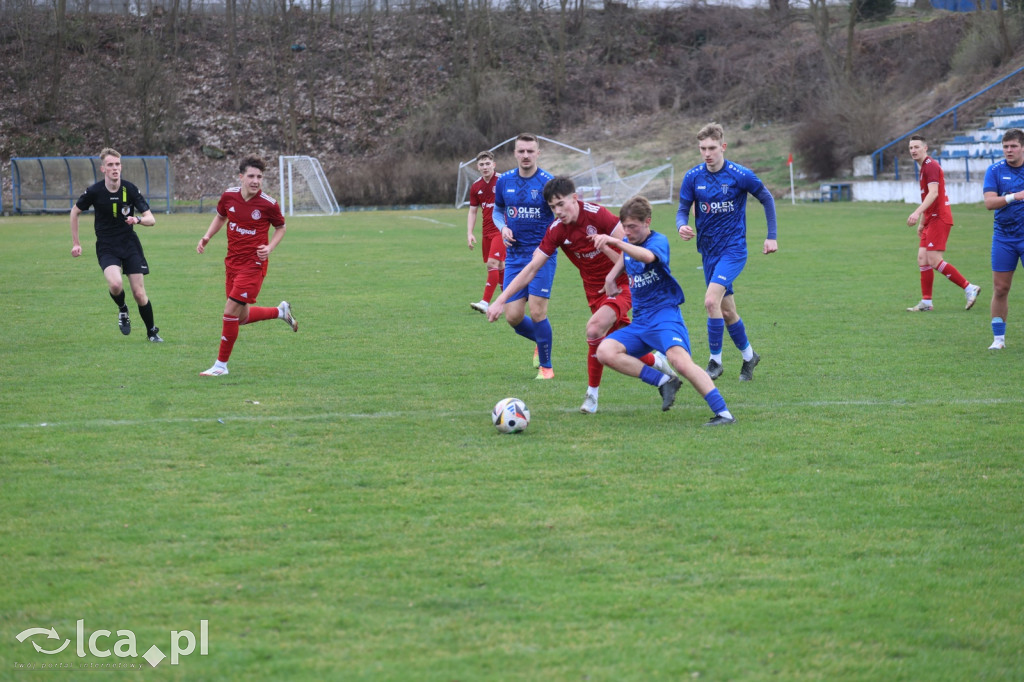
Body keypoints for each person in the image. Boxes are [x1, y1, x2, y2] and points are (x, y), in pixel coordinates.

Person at [487, 176, 675, 414]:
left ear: (574, 198)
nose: (558, 211)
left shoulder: (599, 215)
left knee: (595, 329)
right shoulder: (556, 230)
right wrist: (500, 300)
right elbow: (532, 268)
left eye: (561, 204)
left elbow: (631, 256)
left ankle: (592, 396)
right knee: (620, 345)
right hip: (594, 293)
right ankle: (659, 363)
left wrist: (607, 252)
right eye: (553, 207)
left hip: (623, 285)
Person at [593, 195, 735, 426]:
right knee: (605, 351)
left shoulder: (658, 241)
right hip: (641, 322)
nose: (628, 232)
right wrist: (611, 276)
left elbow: (646, 256)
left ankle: (724, 413)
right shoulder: (630, 243)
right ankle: (663, 381)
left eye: (633, 227)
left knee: (680, 362)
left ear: (647, 222)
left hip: (664, 317)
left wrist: (615, 241)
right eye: (625, 227)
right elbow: (627, 255)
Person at [676, 122, 777, 382]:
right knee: (727, 311)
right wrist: (682, 225)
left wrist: (771, 236)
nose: (707, 153)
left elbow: (767, 198)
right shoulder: (693, 177)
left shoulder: (739, 174)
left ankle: (715, 362)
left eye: (711, 148)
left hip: (733, 250)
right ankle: (749, 357)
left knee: (711, 301)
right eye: (702, 148)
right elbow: (682, 209)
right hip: (708, 252)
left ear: (723, 147)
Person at [195, 156, 298, 376]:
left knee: (230, 311)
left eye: (259, 177)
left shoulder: (268, 204)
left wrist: (269, 248)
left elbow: (281, 228)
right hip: (232, 263)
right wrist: (207, 236)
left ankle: (221, 366)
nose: (255, 180)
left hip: (254, 265)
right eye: (251, 176)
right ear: (241, 177)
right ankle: (280, 312)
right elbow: (221, 217)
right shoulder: (229, 196)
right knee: (239, 317)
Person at [70, 148, 162, 342]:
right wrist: (76, 243)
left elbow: (151, 219)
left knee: (139, 293)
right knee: (115, 283)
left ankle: (152, 332)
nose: (115, 168)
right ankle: (122, 309)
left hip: (129, 244)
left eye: (117, 164)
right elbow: (74, 212)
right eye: (110, 165)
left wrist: (137, 220)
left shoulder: (130, 189)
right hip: (107, 246)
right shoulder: (94, 191)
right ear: (103, 168)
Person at [492, 133, 557, 379]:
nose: (526, 155)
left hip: (542, 255)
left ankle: (547, 367)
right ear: (515, 153)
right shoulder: (504, 181)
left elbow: (560, 216)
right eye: (521, 151)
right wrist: (503, 228)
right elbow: (498, 211)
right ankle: (541, 340)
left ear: (538, 153)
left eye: (531, 151)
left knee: (538, 312)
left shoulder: (548, 183)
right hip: (515, 257)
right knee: (514, 317)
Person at [905, 134, 981, 312]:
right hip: (931, 218)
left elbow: (934, 194)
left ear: (925, 148)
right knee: (922, 258)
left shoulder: (930, 166)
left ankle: (969, 288)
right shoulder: (923, 167)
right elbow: (927, 197)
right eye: (910, 148)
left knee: (933, 259)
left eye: (917, 147)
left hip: (940, 218)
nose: (913, 150)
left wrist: (916, 213)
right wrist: (923, 222)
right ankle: (926, 302)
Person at [982, 128, 1024, 350]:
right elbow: (989, 203)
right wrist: (1013, 196)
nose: (1009, 150)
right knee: (1000, 289)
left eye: (1013, 146)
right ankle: (998, 339)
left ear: (1022, 147)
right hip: (1004, 238)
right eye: (1005, 147)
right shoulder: (995, 170)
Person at [466, 151, 505, 314]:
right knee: (501, 266)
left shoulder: (503, 181)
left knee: (492, 264)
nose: (485, 167)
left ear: (493, 165)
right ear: (478, 167)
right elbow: (473, 211)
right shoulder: (476, 186)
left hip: (502, 231)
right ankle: (509, 300)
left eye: (487, 163)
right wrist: (469, 233)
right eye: (481, 164)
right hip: (487, 232)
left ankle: (485, 302)